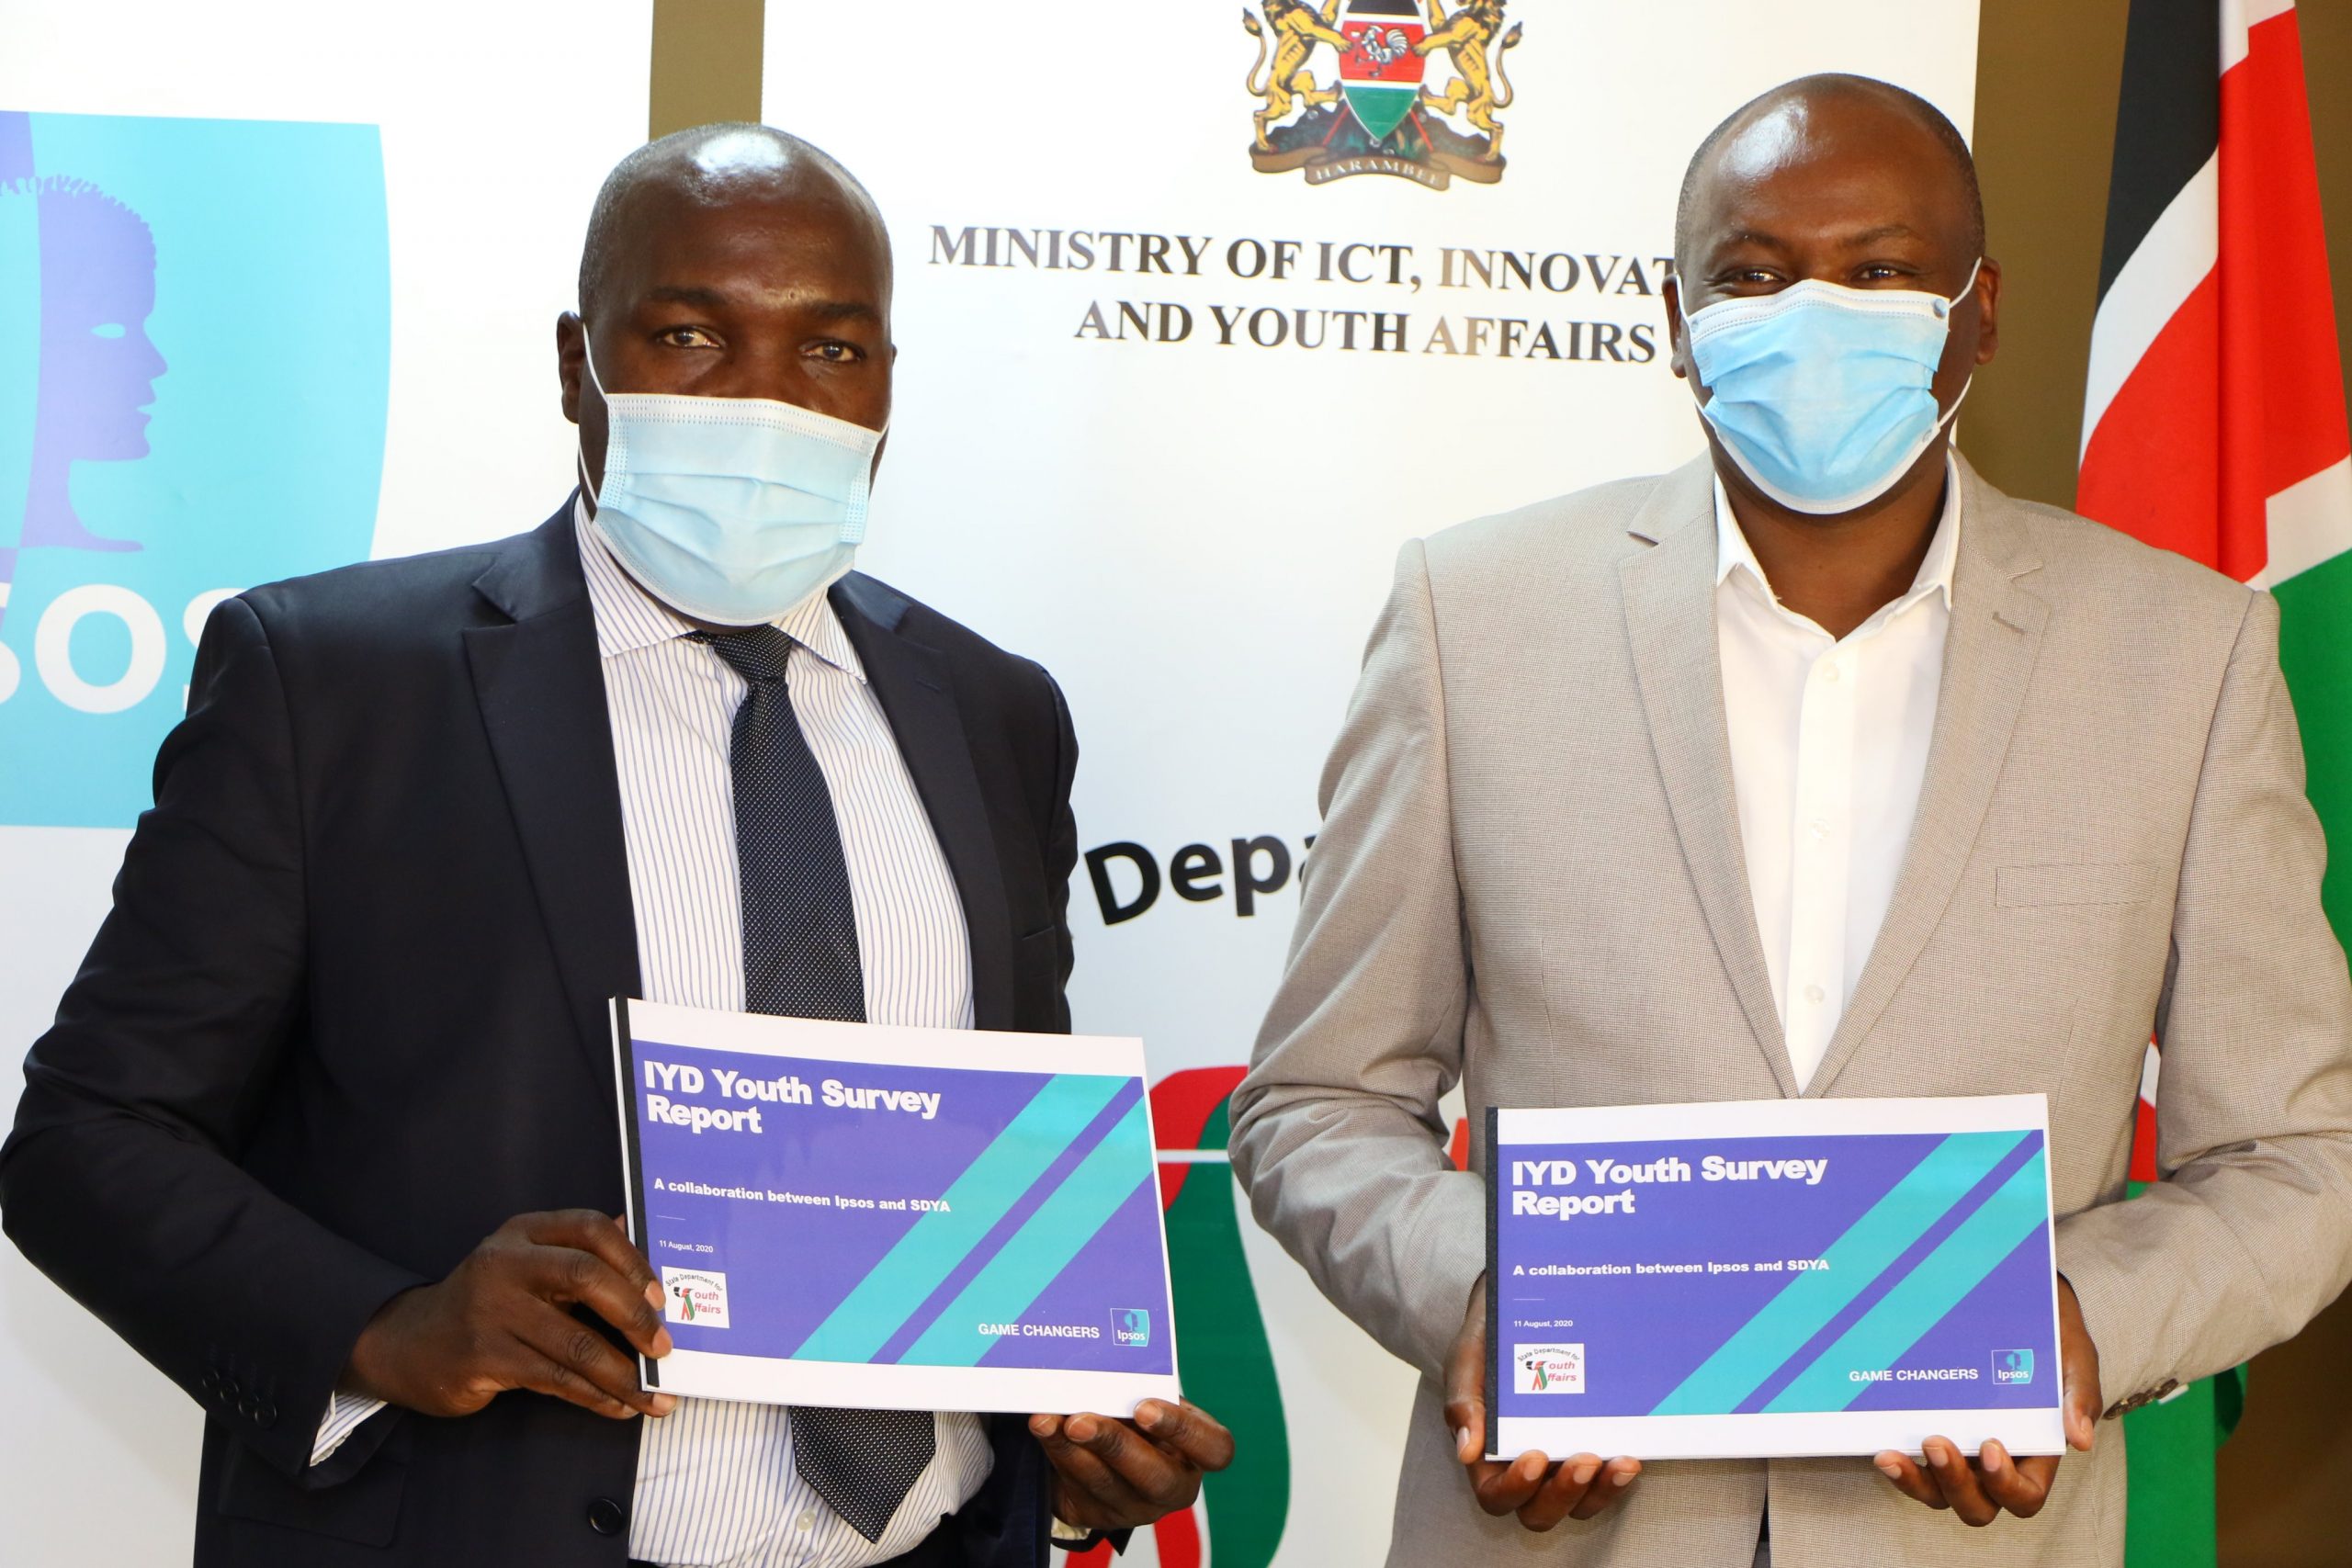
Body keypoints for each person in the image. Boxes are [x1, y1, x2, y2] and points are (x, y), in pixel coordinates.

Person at [0, 123, 1230, 1567]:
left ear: (890, 385)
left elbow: (986, 1184)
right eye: (694, 333)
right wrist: (385, 1330)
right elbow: (87, 1140)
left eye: (833, 351)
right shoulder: (334, 684)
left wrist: (1071, 1438)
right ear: (579, 362)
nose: (767, 398)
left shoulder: (996, 712)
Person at [1229, 73, 2352, 1567]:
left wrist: (2079, 1321)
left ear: (1980, 308)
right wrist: (1490, 1298)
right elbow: (1318, 1102)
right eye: (1753, 274)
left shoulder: (2183, 656)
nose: (1814, 312)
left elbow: (2296, 1151)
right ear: (1677, 320)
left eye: (1881, 272)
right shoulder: (1471, 620)